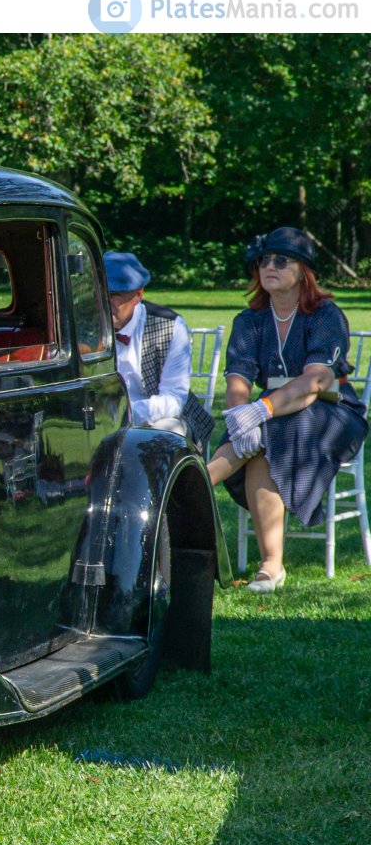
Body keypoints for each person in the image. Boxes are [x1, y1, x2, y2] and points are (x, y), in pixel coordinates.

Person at [205, 227, 368, 593]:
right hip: (275, 416)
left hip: (334, 413)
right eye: (264, 260)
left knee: (268, 433)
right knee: (262, 445)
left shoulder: (325, 315)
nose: (269, 266)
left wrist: (259, 410)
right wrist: (237, 415)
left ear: (304, 270)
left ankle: (195, 482)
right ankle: (271, 566)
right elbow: (237, 381)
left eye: (281, 260)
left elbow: (315, 383)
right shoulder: (249, 321)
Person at [104, 251, 214, 451]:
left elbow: (173, 399)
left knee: (165, 434)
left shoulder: (168, 326)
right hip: (101, 418)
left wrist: (124, 414)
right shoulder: (84, 327)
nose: (105, 303)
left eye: (115, 295)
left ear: (138, 294)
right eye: (100, 293)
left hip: (159, 417)